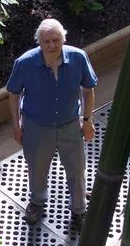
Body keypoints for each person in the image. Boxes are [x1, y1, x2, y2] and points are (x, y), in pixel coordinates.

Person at [6, 19, 98, 227]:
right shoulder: (25, 63)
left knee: (77, 168)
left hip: (69, 125)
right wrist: (16, 125)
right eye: (46, 41)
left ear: (63, 39)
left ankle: (79, 208)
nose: (52, 46)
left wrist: (87, 120)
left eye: (56, 40)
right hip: (37, 127)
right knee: (37, 168)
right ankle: (37, 202)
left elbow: (88, 90)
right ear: (38, 42)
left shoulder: (78, 57)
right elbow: (13, 95)